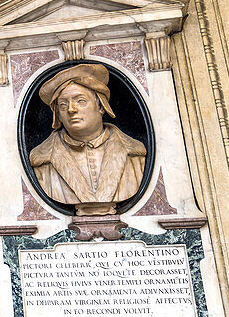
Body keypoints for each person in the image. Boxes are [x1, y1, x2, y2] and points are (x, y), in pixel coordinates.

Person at [28, 63, 147, 215]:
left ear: (101, 106)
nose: (71, 109)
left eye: (80, 101)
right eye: (63, 105)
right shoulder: (42, 160)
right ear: (57, 114)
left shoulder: (135, 154)